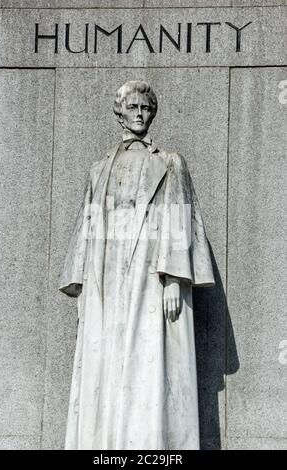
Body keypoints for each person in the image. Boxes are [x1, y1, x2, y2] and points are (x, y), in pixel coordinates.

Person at [59, 80, 215, 450]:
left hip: (152, 274)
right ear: (120, 114)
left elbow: (179, 217)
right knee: (107, 366)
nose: (140, 115)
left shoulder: (170, 162)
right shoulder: (99, 170)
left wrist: (176, 279)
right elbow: (87, 226)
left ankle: (149, 445)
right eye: (133, 108)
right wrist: (81, 283)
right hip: (107, 276)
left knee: (150, 361)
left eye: (146, 109)